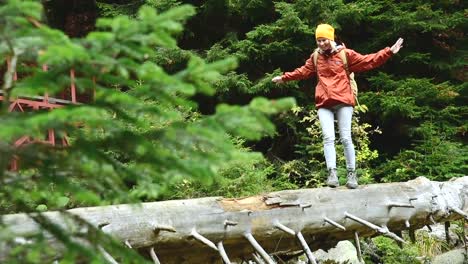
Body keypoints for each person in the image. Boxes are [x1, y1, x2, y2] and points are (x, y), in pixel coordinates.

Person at [272, 24, 403, 189]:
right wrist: (284, 78)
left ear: (331, 38)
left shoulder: (345, 54)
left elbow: (368, 61)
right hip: (324, 102)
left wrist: (388, 52)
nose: (321, 44)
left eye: (324, 40)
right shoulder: (315, 57)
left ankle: (351, 174)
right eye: (318, 40)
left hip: (343, 101)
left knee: (346, 138)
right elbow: (302, 72)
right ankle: (332, 173)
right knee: (328, 138)